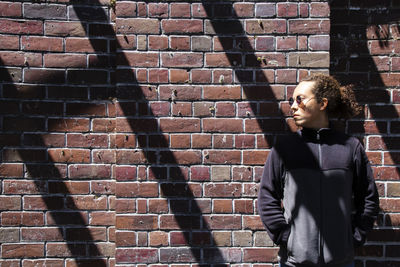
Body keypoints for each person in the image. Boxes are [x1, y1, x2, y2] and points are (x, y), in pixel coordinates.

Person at [257, 74, 379, 267]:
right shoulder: (285, 149)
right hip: (295, 262)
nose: (293, 106)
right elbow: (267, 197)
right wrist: (286, 237)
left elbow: (368, 198)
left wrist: (354, 237)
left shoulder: (350, 148)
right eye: (291, 100)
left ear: (322, 103)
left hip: (341, 261)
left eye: (300, 99)